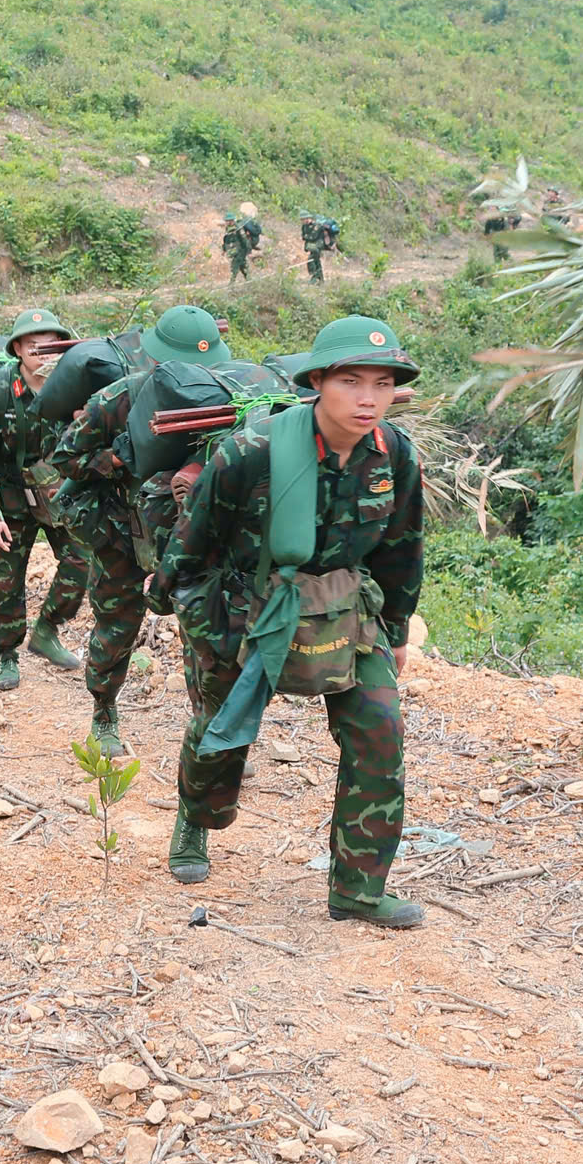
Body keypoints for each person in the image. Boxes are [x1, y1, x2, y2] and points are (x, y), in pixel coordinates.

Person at [162, 315, 424, 922]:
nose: (368, 399)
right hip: (247, 609)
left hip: (345, 608)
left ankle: (358, 890)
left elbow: (402, 546)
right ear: (317, 383)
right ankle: (196, 820)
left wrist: (398, 628)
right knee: (220, 732)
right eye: (351, 381)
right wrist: (211, 635)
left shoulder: (394, 454)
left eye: (383, 384)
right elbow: (191, 552)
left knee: (379, 730)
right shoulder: (252, 453)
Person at [51, 304, 224, 756]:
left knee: (201, 634)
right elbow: (64, 459)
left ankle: (208, 728)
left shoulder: (229, 403)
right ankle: (104, 712)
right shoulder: (118, 400)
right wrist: (116, 459)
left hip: (192, 538)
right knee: (117, 624)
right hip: (123, 534)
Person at [0, 309, 88, 691]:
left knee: (84, 558)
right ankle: (6, 655)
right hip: (8, 494)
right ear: (17, 350)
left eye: (51, 346)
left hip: (56, 490)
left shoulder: (72, 387)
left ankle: (47, 630)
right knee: (4, 578)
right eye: (33, 346)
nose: (43, 354)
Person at [299, 213, 341, 283]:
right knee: (316, 261)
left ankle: (314, 278)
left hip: (318, 245)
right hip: (313, 246)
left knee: (311, 260)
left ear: (307, 218)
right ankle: (321, 279)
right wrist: (307, 237)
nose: (303, 221)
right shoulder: (305, 226)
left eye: (303, 219)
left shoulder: (317, 226)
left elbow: (313, 236)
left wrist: (307, 236)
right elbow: (304, 236)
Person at [221, 212, 254, 281]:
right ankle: (249, 280)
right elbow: (226, 240)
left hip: (240, 250)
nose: (226, 222)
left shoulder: (238, 229)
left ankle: (232, 283)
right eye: (226, 221)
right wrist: (224, 249)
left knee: (235, 266)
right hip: (234, 251)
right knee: (243, 266)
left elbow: (244, 240)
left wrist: (249, 251)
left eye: (228, 221)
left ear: (232, 221)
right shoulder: (228, 229)